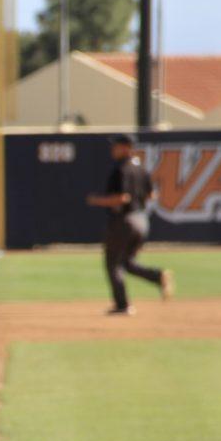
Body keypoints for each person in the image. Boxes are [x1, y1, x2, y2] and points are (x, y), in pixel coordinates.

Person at [87, 133, 173, 315]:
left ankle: (122, 305)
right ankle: (157, 276)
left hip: (124, 221)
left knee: (112, 264)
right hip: (142, 221)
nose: (113, 149)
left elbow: (122, 198)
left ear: (127, 148)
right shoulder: (141, 168)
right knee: (126, 262)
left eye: (116, 145)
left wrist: (96, 200)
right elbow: (152, 195)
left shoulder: (121, 169)